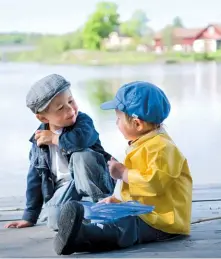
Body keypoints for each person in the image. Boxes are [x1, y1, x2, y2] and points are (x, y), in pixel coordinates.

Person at [53, 81, 193, 255]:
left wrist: (123, 173)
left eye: (118, 119)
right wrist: (116, 199)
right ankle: (81, 233)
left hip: (163, 222)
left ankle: (83, 237)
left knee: (126, 225)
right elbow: (134, 187)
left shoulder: (163, 148)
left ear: (137, 124)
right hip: (143, 212)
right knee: (108, 214)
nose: (116, 123)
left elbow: (154, 184)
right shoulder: (142, 143)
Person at [5, 74, 114, 231]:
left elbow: (81, 141)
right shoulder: (39, 141)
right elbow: (35, 179)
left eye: (71, 101)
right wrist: (29, 216)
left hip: (92, 183)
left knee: (81, 155)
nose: (70, 109)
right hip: (65, 189)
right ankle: (80, 217)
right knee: (56, 220)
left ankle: (102, 206)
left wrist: (56, 139)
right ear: (43, 118)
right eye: (60, 108)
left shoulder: (83, 122)